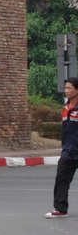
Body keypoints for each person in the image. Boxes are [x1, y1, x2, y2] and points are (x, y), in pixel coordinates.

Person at [46, 77, 78, 218]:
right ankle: (60, 209)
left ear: (77, 90)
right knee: (61, 179)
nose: (66, 91)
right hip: (68, 152)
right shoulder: (65, 108)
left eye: (69, 88)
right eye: (65, 88)